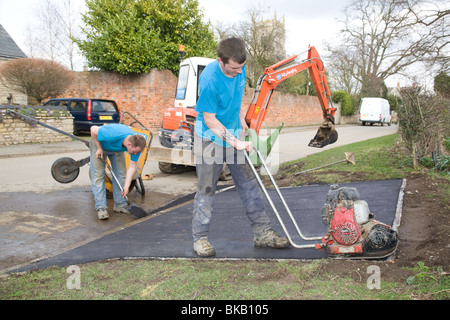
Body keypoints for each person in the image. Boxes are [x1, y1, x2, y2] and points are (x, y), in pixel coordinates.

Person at [192, 37, 289, 257]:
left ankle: (262, 233)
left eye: (241, 67)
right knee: (206, 190)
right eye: (233, 68)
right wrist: (235, 142)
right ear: (220, 61)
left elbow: (235, 99)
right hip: (209, 138)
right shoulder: (209, 80)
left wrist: (242, 124)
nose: (238, 72)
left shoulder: (240, 68)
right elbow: (210, 120)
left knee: (248, 184)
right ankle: (200, 238)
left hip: (234, 133)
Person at [90, 123, 146, 220]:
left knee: (121, 175)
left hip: (117, 150)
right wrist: (99, 148)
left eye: (137, 152)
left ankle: (120, 204)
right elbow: (93, 129)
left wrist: (127, 186)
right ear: (129, 144)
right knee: (98, 176)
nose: (135, 154)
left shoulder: (136, 147)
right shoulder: (110, 134)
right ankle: (101, 207)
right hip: (100, 144)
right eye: (134, 152)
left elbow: (132, 167)